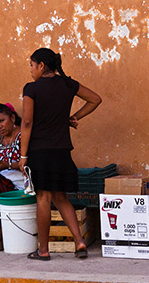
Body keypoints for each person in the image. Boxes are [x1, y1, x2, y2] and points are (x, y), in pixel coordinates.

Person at [18, 48, 102, 261]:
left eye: (31, 64)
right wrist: (75, 116)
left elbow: (26, 123)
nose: (30, 69)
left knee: (43, 198)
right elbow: (95, 99)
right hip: (62, 150)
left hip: (40, 151)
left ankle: (43, 250)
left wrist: (23, 155)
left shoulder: (32, 89)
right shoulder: (68, 84)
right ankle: (79, 241)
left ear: (41, 66)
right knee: (61, 197)